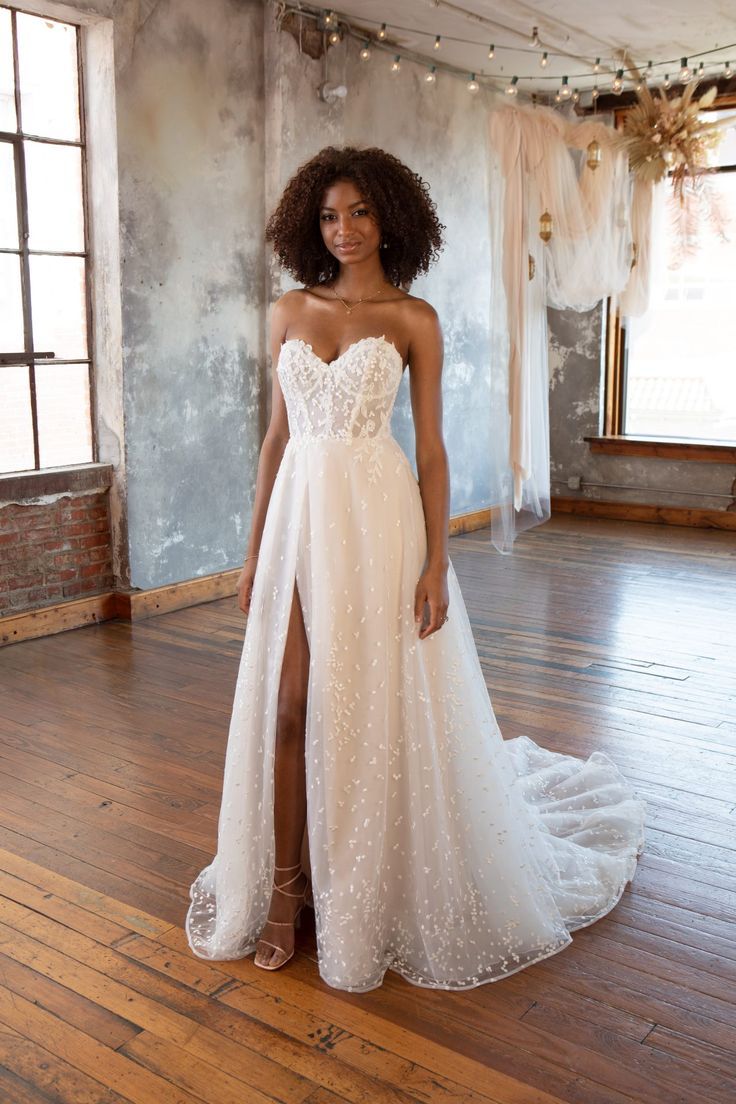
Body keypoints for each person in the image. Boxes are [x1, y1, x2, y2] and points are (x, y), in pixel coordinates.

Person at [185, 145, 646, 993]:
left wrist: (437, 562)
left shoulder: (413, 320)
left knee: (355, 707)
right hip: (297, 521)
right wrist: (253, 554)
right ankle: (287, 893)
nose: (345, 229)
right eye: (329, 215)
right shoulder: (288, 309)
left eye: (359, 212)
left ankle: (359, 885)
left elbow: (430, 451)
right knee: (287, 708)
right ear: (308, 224)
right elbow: (277, 441)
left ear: (390, 217)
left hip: (375, 521)